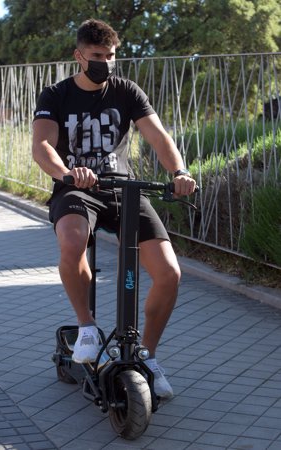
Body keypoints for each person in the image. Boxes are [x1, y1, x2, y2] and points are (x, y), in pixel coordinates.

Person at [32, 19, 196, 399]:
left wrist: (180, 171)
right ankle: (87, 327)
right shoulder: (56, 95)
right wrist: (68, 174)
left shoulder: (126, 92)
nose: (104, 62)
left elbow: (158, 136)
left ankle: (147, 358)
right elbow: (42, 147)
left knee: (169, 273)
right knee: (72, 243)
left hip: (124, 189)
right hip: (76, 190)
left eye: (110, 56)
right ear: (79, 56)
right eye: (96, 56)